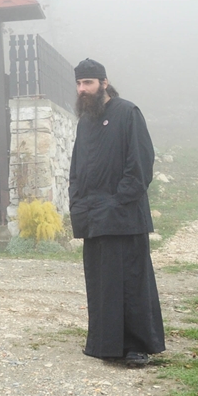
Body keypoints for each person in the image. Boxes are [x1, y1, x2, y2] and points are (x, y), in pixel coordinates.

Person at [68, 58, 165, 367]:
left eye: (89, 83)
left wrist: (117, 202)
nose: (83, 90)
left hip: (124, 216)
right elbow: (77, 169)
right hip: (94, 217)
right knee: (102, 285)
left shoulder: (128, 113)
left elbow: (140, 164)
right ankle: (105, 345)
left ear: (104, 83)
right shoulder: (86, 121)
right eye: (79, 84)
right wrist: (78, 203)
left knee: (131, 282)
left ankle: (137, 347)